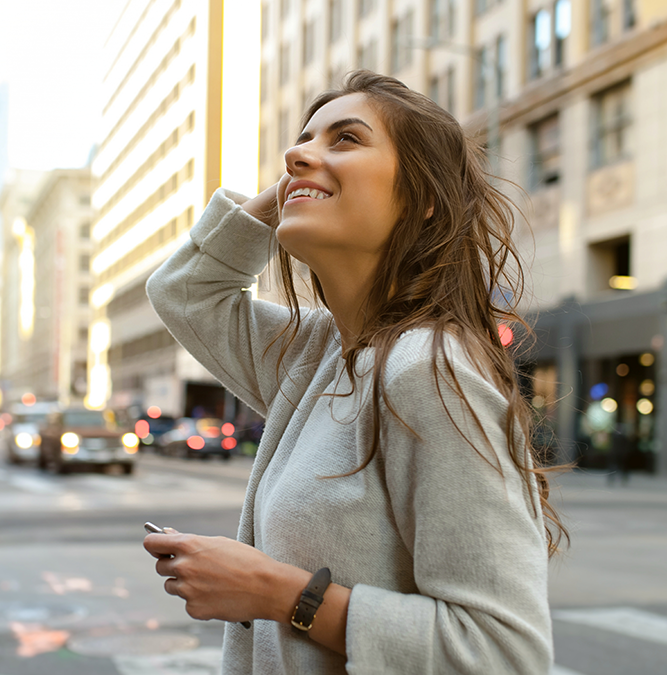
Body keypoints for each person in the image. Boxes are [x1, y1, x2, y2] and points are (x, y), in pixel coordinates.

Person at [143, 71, 563, 673]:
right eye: (302, 140)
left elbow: (503, 653)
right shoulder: (316, 353)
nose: (297, 153)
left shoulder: (429, 367)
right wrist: (302, 181)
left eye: (346, 138)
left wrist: (277, 593)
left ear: (423, 200)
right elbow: (185, 292)